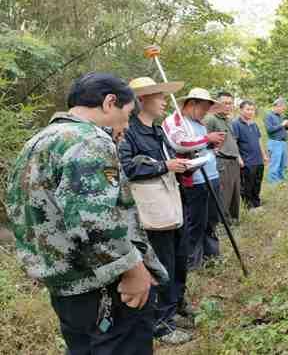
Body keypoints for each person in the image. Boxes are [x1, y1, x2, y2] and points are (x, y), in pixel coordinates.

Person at [6, 72, 168, 355]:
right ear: (109, 102)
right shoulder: (89, 141)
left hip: (67, 288)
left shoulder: (37, 143)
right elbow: (94, 222)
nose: (127, 126)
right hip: (106, 287)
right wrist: (133, 271)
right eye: (128, 115)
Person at [119, 77, 193, 344]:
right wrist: (164, 166)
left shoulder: (159, 130)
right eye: (158, 96)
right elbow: (126, 168)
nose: (164, 101)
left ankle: (175, 307)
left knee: (179, 261)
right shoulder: (127, 132)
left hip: (173, 207)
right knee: (161, 266)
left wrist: (183, 164)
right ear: (141, 100)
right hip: (152, 215)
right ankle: (161, 324)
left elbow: (167, 161)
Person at [162, 88, 226, 271]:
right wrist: (207, 139)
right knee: (195, 222)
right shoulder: (174, 120)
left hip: (211, 176)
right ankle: (192, 262)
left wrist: (211, 145)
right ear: (192, 104)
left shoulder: (199, 123)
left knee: (211, 219)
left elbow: (202, 146)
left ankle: (211, 256)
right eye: (204, 108)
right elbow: (179, 143)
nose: (206, 112)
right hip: (194, 180)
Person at [203, 91, 242, 226]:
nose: (228, 106)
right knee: (224, 193)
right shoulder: (211, 119)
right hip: (222, 161)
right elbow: (204, 140)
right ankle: (222, 224)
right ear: (217, 104)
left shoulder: (228, 120)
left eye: (230, 103)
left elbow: (232, 140)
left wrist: (238, 157)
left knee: (235, 192)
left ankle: (233, 220)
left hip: (233, 161)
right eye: (225, 103)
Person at [232, 100, 269, 209]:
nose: (250, 112)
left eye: (252, 109)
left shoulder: (254, 125)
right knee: (247, 185)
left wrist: (264, 155)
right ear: (241, 110)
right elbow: (234, 143)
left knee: (257, 183)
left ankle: (257, 204)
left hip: (258, 160)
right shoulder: (236, 124)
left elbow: (259, 141)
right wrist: (239, 159)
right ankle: (249, 207)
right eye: (247, 109)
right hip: (247, 161)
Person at [264, 97, 288, 183]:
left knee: (283, 163)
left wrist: (286, 125)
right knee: (275, 163)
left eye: (284, 109)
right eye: (282, 109)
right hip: (275, 142)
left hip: (283, 142)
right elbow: (269, 130)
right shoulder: (268, 116)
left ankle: (281, 178)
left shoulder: (281, 116)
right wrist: (282, 125)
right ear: (277, 106)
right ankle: (273, 181)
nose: (283, 111)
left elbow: (284, 128)